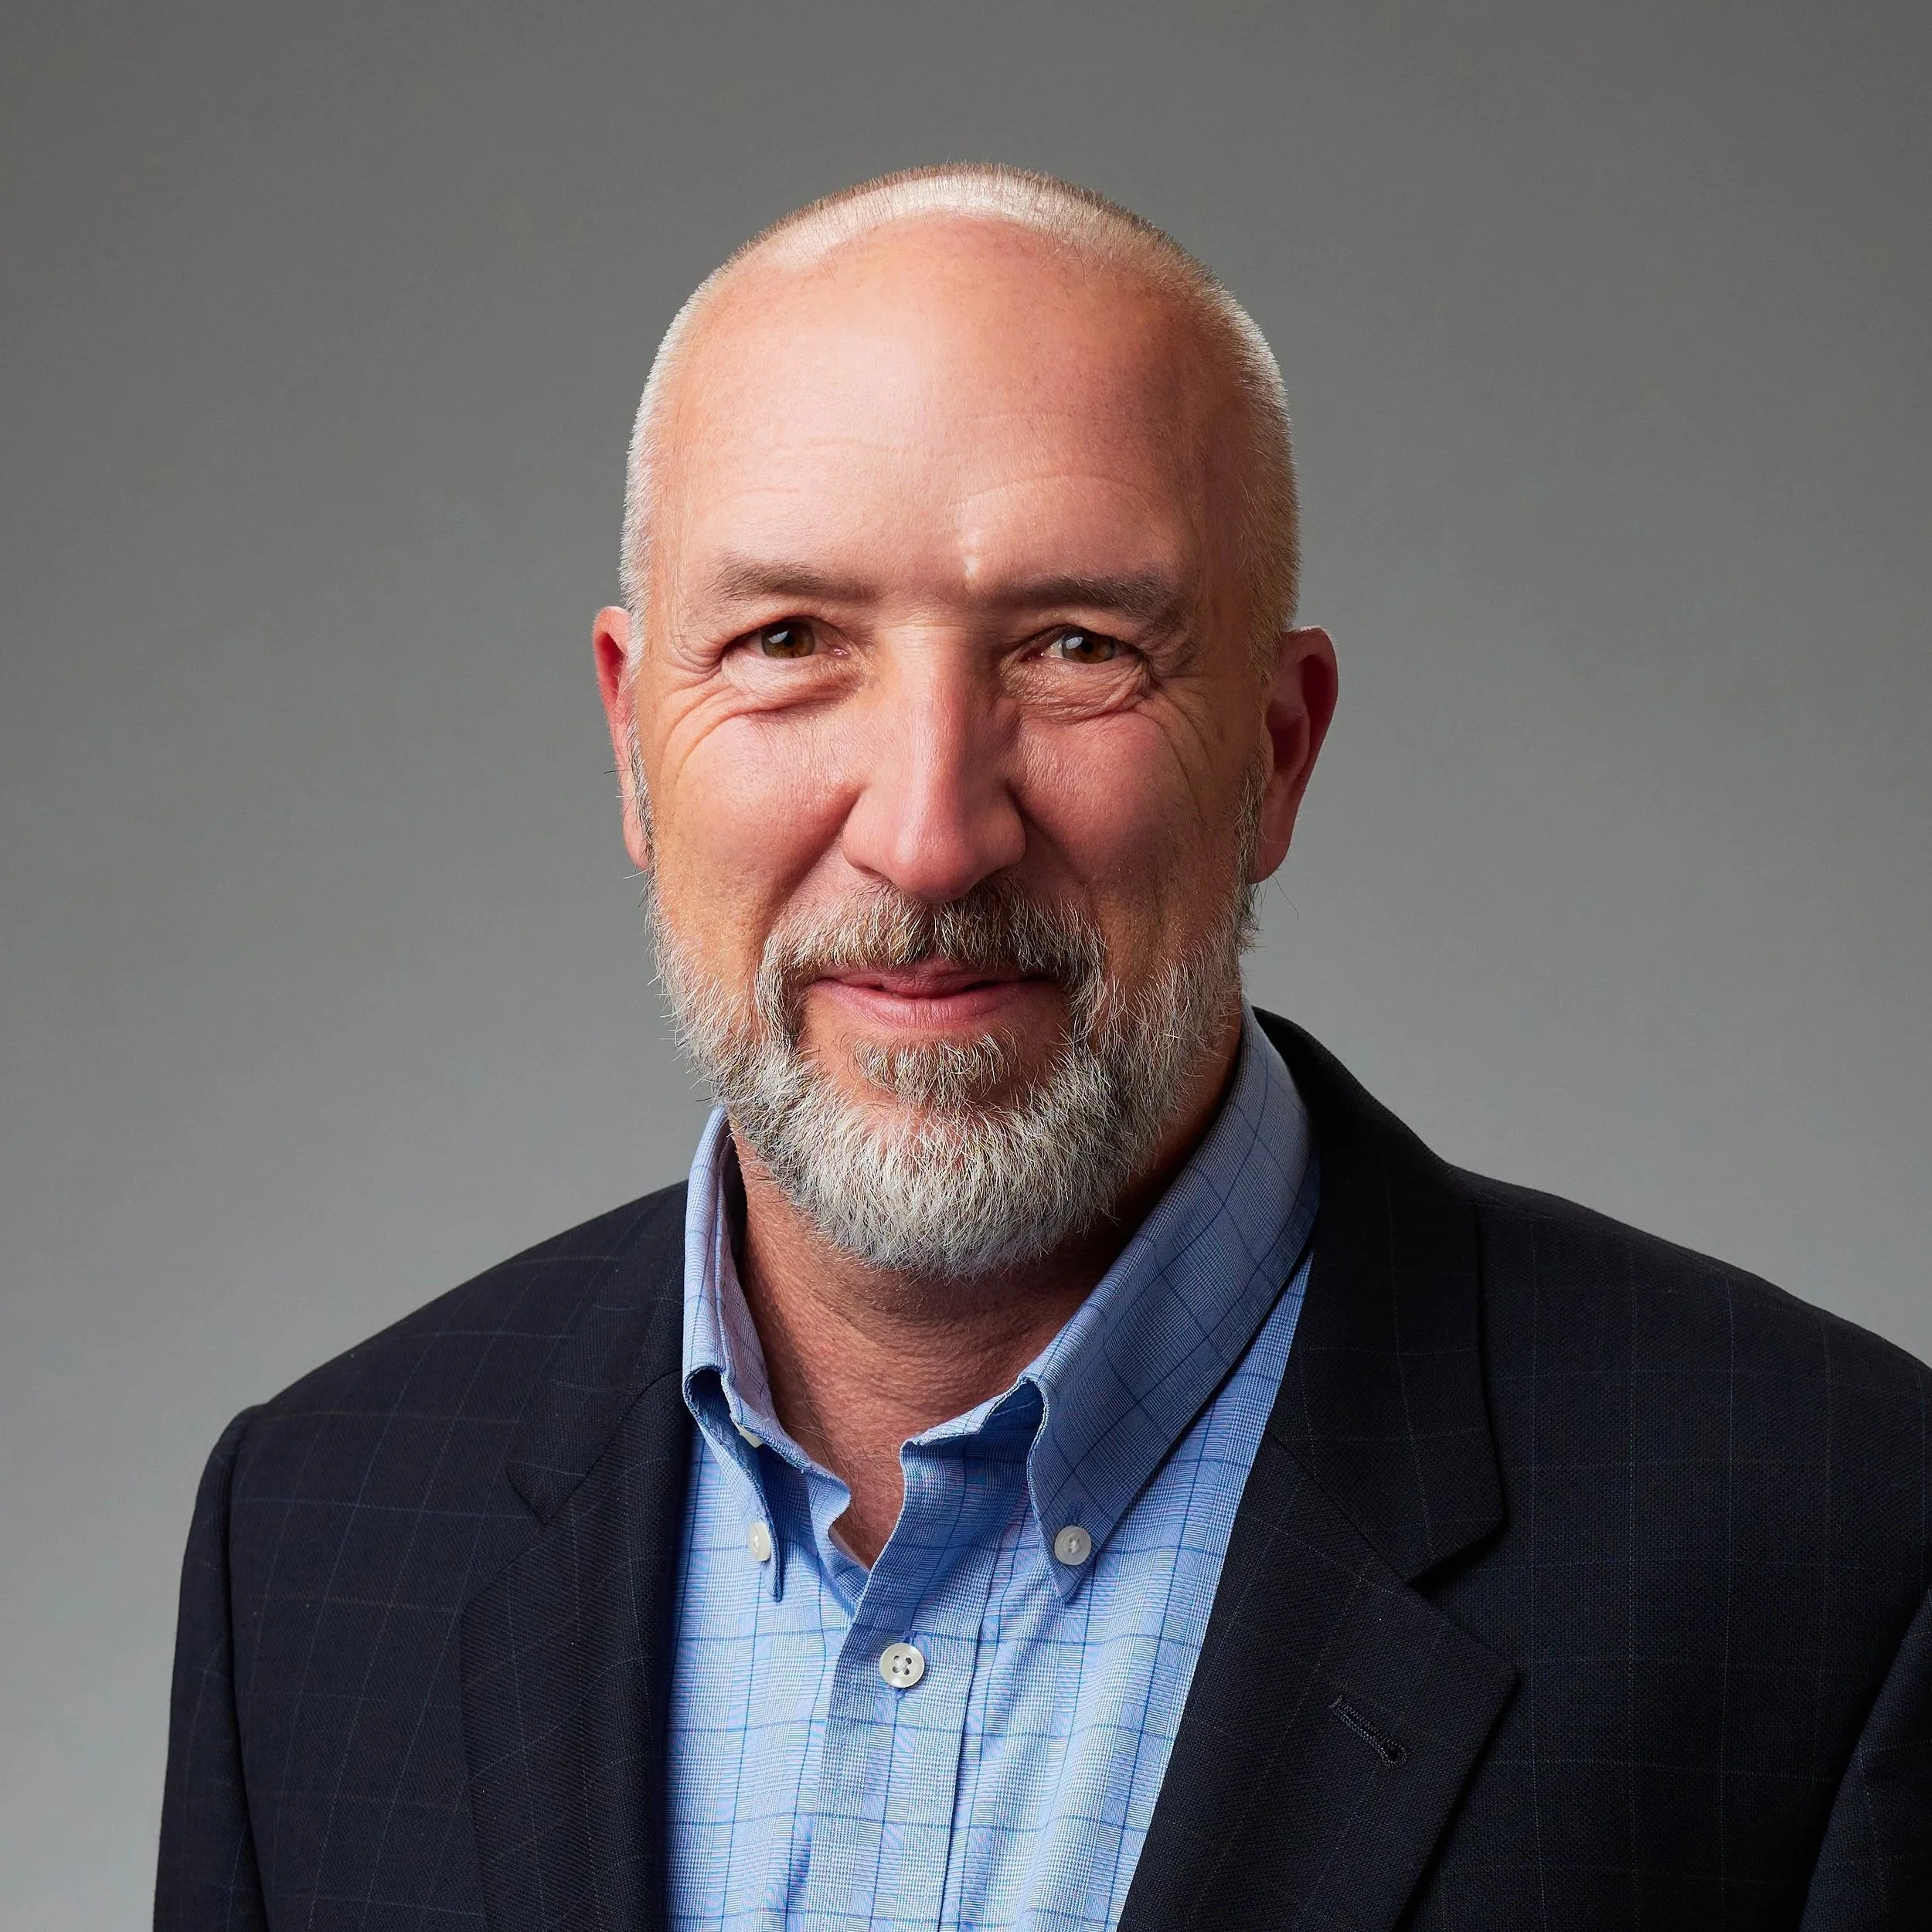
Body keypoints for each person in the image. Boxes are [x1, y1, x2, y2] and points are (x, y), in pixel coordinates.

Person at [155, 165, 1932, 1932]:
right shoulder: (311, 1541)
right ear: (633, 736)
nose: (929, 834)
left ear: (1277, 749)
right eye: (788, 643)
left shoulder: (1833, 1547)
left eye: (1076, 647)